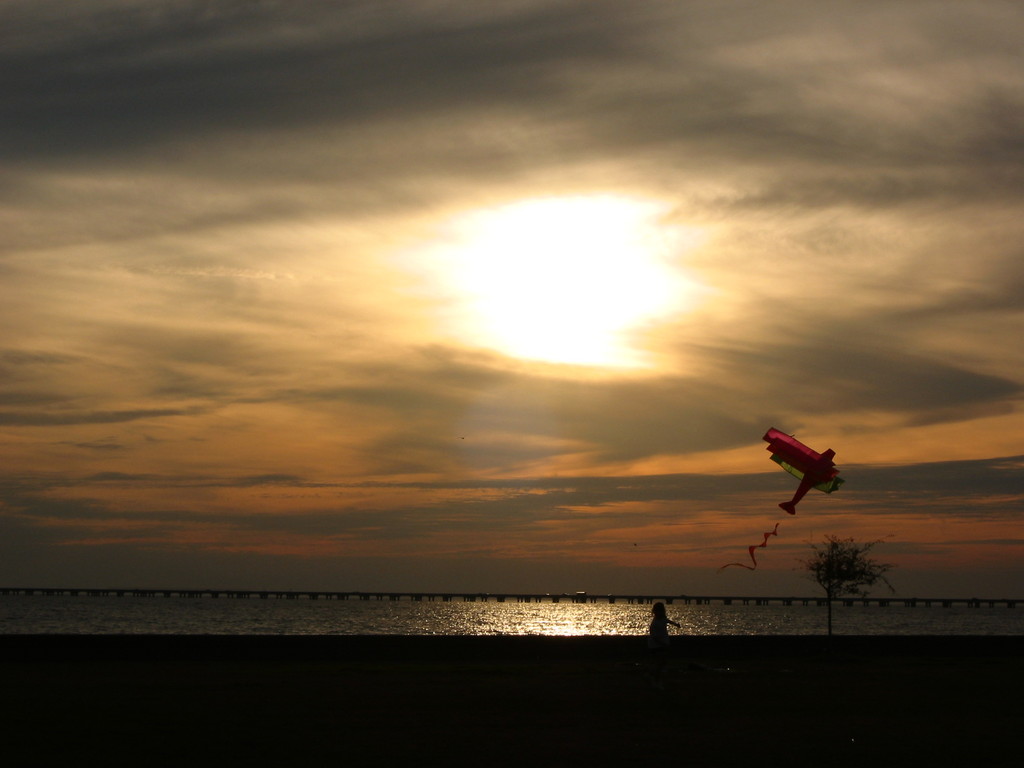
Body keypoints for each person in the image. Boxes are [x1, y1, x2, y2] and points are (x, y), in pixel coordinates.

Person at [646, 601, 680, 689]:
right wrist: (662, 643)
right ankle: (655, 681)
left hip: (663, 644)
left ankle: (655, 679)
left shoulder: (663, 619)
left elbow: (668, 621)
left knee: (661, 664)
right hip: (656, 646)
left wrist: (676, 624)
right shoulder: (655, 623)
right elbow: (653, 636)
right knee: (659, 664)